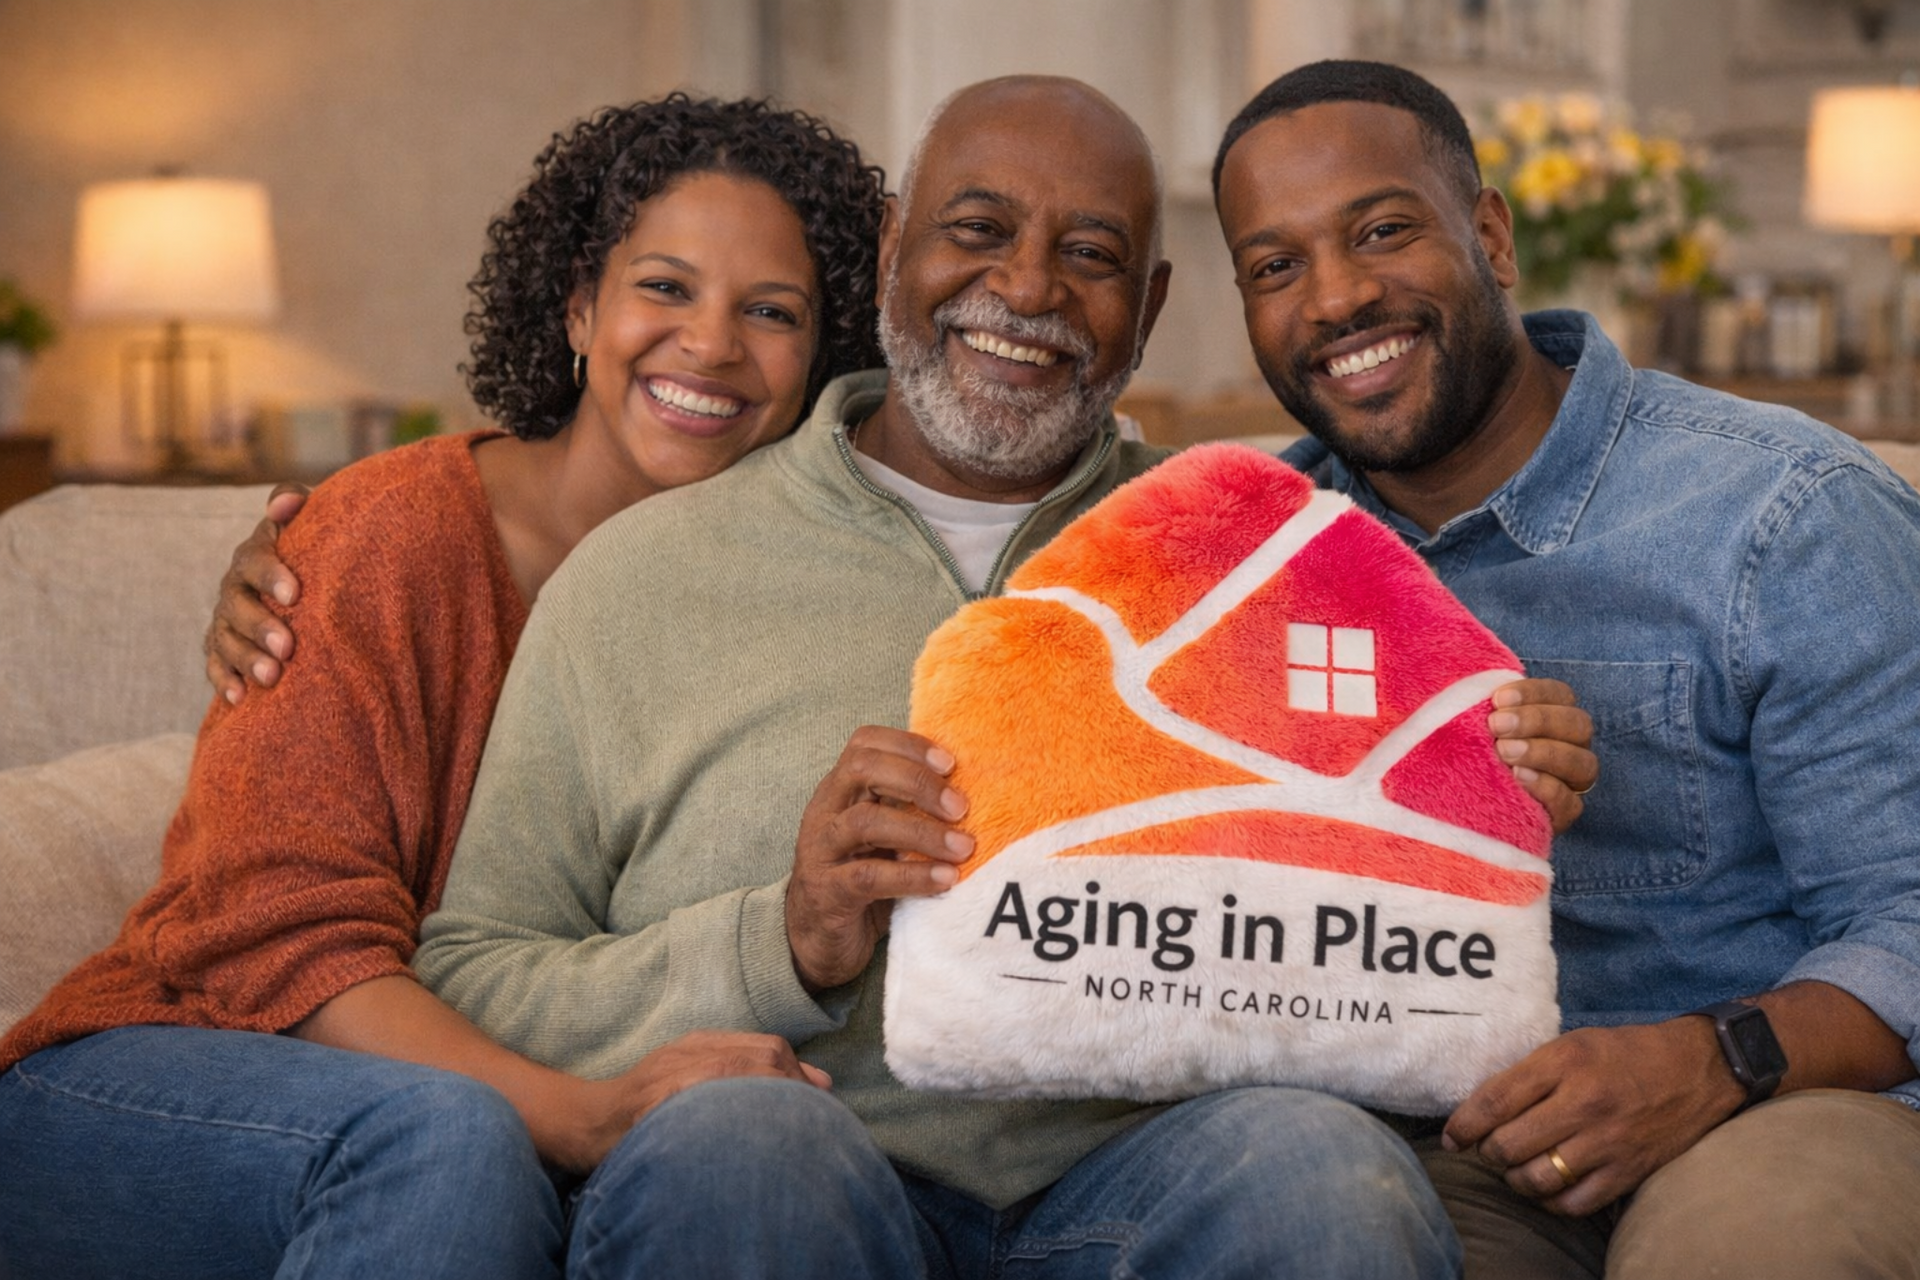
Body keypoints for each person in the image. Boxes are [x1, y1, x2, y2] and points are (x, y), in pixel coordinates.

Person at [388, 75, 1599, 1279]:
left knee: (1322, 1168)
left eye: (1091, 254)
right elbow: (479, 970)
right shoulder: (640, 573)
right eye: (977, 229)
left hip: (1150, 1181)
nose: (1026, 288)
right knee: (739, 1145)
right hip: (803, 1160)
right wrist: (785, 938)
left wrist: (1482, 772)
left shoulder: (1253, 554)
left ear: (1147, 310)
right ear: (889, 251)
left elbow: (1394, 882)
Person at [0, 94, 887, 1280]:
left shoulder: (803, 595)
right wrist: (577, 1113)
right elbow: (280, 938)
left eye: (770, 311)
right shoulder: (387, 537)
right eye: (664, 286)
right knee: (452, 1138)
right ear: (579, 305)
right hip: (174, 1066)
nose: (712, 343)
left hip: (485, 1108)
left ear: (823, 356)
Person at [1210, 59, 1920, 1279]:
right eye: (1276, 266)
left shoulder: (1784, 513)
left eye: (1381, 231)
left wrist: (1711, 1058)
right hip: (1462, 1146)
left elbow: (1906, 910)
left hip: (1784, 1102)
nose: (1335, 297)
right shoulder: (1252, 561)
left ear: (1490, 235)